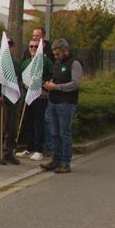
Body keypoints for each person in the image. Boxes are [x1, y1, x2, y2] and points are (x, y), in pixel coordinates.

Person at [40, 39, 82, 174]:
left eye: (58, 54)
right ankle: (55, 160)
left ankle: (65, 162)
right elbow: (56, 77)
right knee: (55, 133)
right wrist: (50, 83)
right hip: (53, 101)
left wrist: (56, 87)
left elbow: (75, 83)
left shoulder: (75, 63)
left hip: (66, 103)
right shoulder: (58, 62)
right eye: (55, 54)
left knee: (64, 133)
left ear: (65, 50)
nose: (56, 57)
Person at [18, 29, 53, 161]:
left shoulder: (45, 61)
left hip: (40, 96)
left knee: (39, 122)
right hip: (28, 95)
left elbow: (52, 75)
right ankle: (29, 147)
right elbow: (22, 78)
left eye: (35, 46)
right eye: (31, 46)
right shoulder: (26, 62)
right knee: (28, 121)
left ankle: (39, 149)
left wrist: (45, 88)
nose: (33, 48)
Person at [0, 35, 22, 165]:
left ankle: (9, 152)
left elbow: (18, 79)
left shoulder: (15, 63)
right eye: (5, 45)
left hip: (13, 100)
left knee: (13, 128)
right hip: (0, 100)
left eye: (10, 45)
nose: (8, 48)